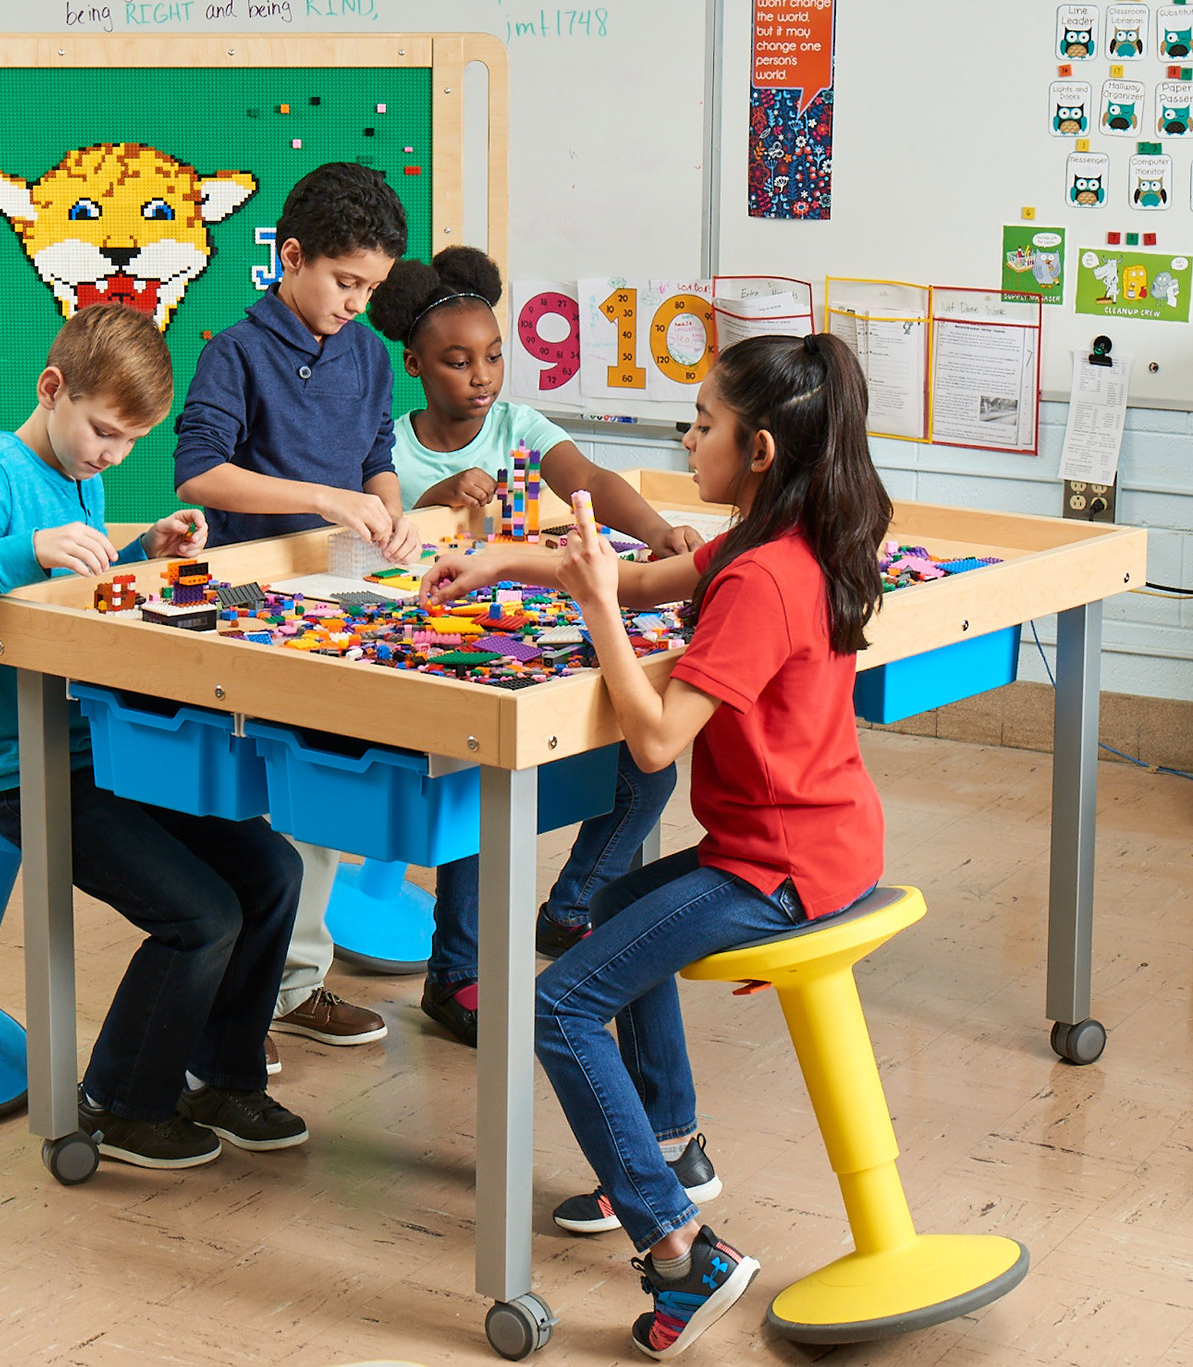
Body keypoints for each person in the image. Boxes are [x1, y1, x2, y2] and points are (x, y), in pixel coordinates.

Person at [421, 332, 892, 1358]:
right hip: (817, 838)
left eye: (705, 423)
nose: (689, 436)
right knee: (613, 906)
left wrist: (590, 606)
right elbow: (645, 585)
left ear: (759, 448)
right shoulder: (774, 540)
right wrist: (508, 557)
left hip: (776, 866)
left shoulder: (765, 577)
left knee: (557, 1002)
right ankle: (670, 1142)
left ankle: (682, 1248)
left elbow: (654, 737)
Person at [0, 303, 308, 1171]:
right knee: (201, 915)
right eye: (105, 433)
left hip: (105, 749)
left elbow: (71, 591)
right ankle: (119, 1103)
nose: (112, 455)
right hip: (27, 767)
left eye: (129, 443)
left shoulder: (83, 471)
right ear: (53, 390)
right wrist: (27, 545)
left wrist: (139, 547)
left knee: (273, 870)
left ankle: (223, 1077)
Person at [363, 245, 695, 1046]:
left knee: (643, 770)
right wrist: (438, 499)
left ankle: (571, 905)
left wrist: (657, 535)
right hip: (429, 644)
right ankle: (457, 974)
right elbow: (373, 549)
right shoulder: (389, 448)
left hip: (522, 633)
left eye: (493, 355)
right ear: (413, 365)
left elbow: (588, 481)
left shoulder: (516, 425)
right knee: (481, 798)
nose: (481, 377)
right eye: (456, 361)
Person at [174, 161, 418, 1050]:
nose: (356, 302)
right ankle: (237, 993)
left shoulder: (365, 352)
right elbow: (198, 469)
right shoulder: (234, 352)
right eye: (345, 281)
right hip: (248, 595)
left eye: (371, 287)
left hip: (340, 593)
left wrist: (387, 507)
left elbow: (375, 453)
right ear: (291, 257)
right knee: (248, 809)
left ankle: (294, 985)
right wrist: (320, 496)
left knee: (320, 790)